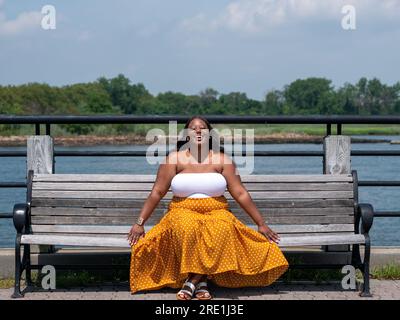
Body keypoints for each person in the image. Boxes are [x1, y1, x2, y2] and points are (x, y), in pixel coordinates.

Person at [128, 115, 289, 300]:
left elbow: (240, 193)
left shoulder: (222, 160)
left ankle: (192, 282)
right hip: (182, 211)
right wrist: (139, 223)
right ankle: (201, 283)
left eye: (202, 128)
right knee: (186, 228)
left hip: (217, 211)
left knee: (223, 228)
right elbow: (157, 192)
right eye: (193, 128)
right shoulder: (174, 159)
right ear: (186, 134)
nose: (198, 131)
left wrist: (261, 224)